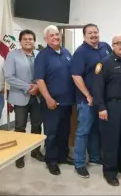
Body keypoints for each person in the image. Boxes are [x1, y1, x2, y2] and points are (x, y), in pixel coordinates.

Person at [92, 34, 121, 186]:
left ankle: (120, 165)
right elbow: (97, 88)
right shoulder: (104, 63)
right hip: (112, 107)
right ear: (113, 45)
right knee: (111, 140)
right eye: (119, 43)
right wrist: (101, 108)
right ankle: (110, 171)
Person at [71, 23, 112, 178]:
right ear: (84, 35)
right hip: (86, 100)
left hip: (101, 99)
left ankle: (95, 158)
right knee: (83, 131)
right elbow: (76, 75)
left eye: (96, 32)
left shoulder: (105, 46)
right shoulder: (80, 52)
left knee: (95, 130)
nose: (94, 35)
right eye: (90, 33)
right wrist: (88, 95)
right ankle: (79, 163)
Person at [34, 25, 75, 176]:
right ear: (46, 38)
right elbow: (39, 79)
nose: (56, 37)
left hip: (67, 101)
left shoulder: (66, 52)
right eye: (52, 35)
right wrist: (48, 98)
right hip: (52, 103)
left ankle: (63, 156)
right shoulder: (43, 55)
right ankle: (51, 160)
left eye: (57, 34)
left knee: (64, 131)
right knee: (51, 133)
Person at [3, 29, 45, 168]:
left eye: (31, 39)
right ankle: (19, 156)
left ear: (34, 41)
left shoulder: (40, 54)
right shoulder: (12, 55)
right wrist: (28, 87)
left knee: (37, 126)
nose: (28, 41)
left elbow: (45, 73)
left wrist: (38, 88)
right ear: (20, 41)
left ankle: (35, 152)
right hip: (21, 96)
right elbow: (9, 76)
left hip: (38, 97)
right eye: (25, 39)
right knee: (20, 127)